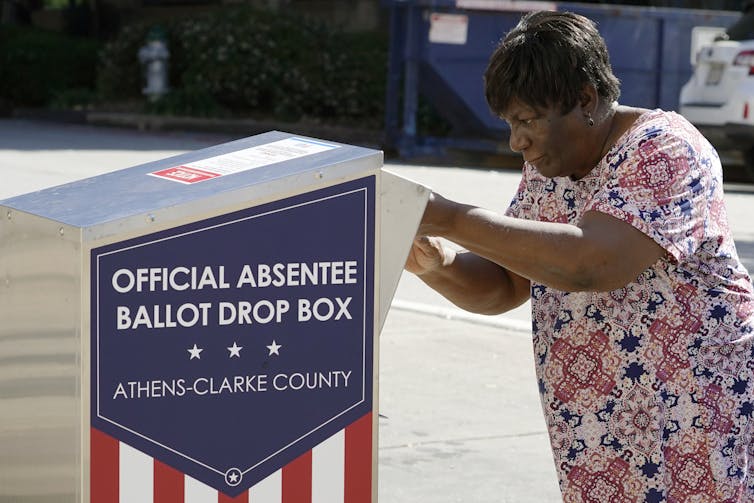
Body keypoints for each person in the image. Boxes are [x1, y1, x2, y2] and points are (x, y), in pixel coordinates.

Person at [406, 10, 754, 502]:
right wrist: (439, 265)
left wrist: (450, 217)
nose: (516, 141)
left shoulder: (665, 149)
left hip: (693, 421)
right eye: (509, 123)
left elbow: (591, 263)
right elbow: (508, 284)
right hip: (599, 434)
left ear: (586, 101)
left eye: (527, 120)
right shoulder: (549, 170)